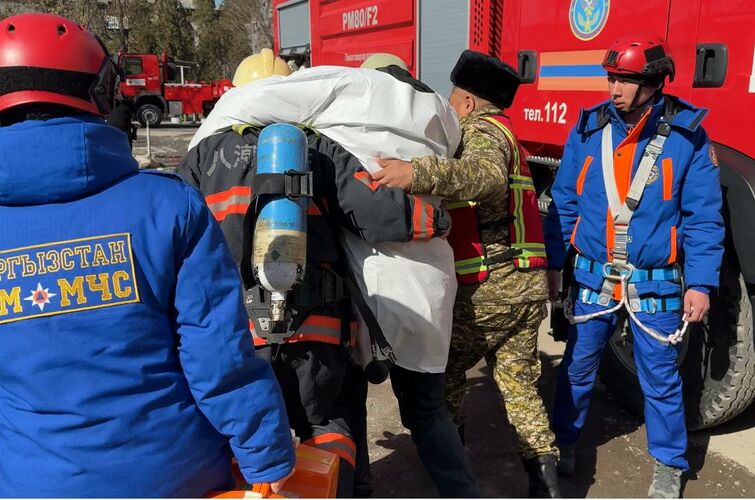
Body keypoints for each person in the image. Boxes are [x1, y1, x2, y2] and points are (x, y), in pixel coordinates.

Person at [0, 13, 295, 497]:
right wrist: (265, 451)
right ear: (101, 92)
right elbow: (218, 355)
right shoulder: (168, 206)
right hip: (172, 474)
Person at [177, 49, 458, 497]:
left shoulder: (200, 156)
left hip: (238, 335)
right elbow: (375, 210)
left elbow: (178, 244)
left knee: (244, 436)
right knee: (329, 424)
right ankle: (346, 489)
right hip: (317, 331)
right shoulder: (315, 146)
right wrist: (436, 220)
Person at [542, 35, 724, 498]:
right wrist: (554, 264)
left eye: (626, 80)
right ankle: (564, 441)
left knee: (660, 380)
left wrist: (700, 284)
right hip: (592, 277)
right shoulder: (588, 130)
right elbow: (563, 203)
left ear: (655, 83)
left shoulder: (687, 137)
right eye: (612, 79)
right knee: (577, 367)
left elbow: (703, 218)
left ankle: (669, 465)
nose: (615, 89)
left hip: (654, 284)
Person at [375, 50, 561, 498]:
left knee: (442, 379)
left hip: (490, 290)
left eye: (452, 100)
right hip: (523, 287)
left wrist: (414, 172)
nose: (449, 109)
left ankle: (451, 473)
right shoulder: (510, 134)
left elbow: (485, 177)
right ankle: (547, 488)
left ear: (469, 103)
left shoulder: (482, 132)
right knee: (520, 390)